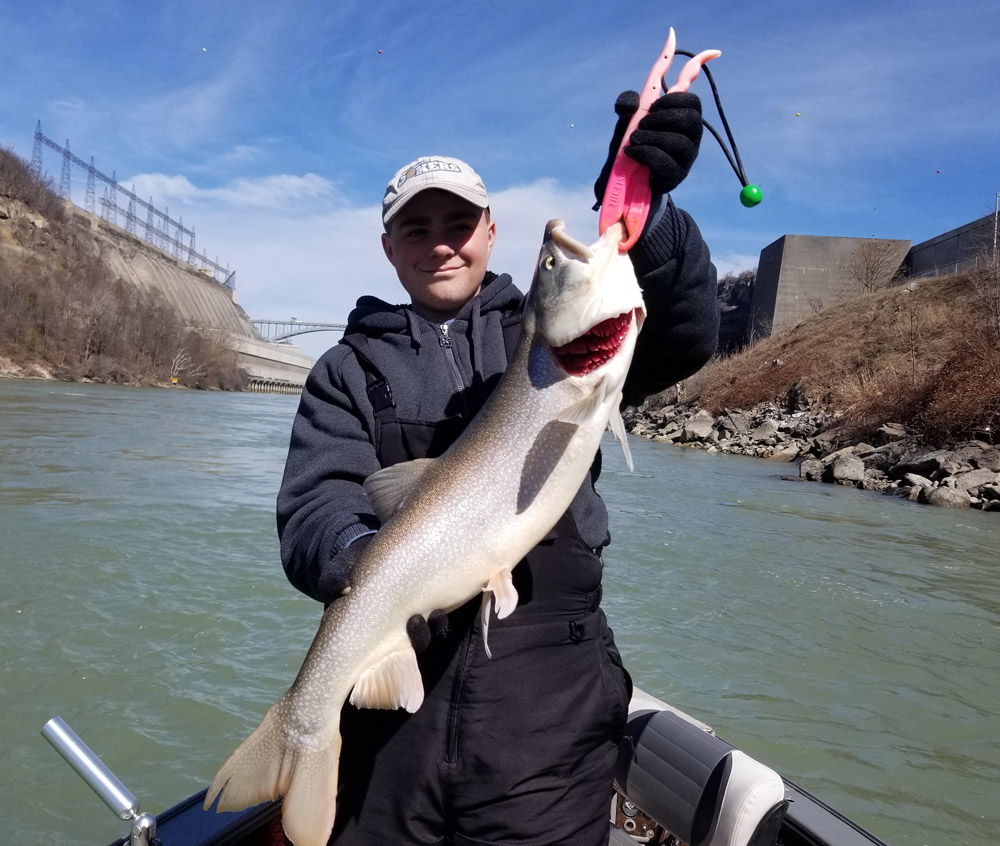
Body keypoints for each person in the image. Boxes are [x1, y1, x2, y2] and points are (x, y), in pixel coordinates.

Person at [276, 89, 719, 845]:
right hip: (397, 718)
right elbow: (314, 508)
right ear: (388, 247)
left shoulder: (544, 333)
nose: (440, 246)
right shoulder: (344, 371)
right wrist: (366, 559)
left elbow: (685, 335)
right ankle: (298, 732)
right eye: (416, 229)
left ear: (490, 231)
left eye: (459, 225)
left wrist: (651, 217)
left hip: (550, 707)